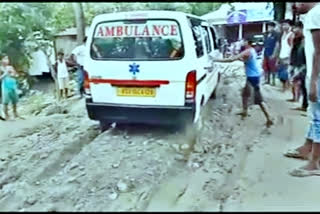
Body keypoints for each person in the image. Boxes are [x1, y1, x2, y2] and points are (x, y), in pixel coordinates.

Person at [284, 2, 320, 177]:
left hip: (318, 74)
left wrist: (313, 80)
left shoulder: (316, 14)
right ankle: (308, 148)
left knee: (318, 118)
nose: (294, 5)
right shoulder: (314, 13)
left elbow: (319, 51)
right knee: (315, 116)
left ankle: (315, 163)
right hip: (315, 72)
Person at [213, 38, 273, 127]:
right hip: (253, 76)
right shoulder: (252, 50)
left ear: (247, 42)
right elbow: (245, 60)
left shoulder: (247, 51)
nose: (242, 42)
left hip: (253, 77)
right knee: (245, 94)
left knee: (258, 99)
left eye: (243, 41)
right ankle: (245, 111)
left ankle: (269, 118)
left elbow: (231, 59)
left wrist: (215, 60)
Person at [287, 21, 308, 110]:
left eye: (296, 28)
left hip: (305, 65)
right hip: (298, 65)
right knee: (303, 86)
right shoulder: (297, 40)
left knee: (305, 86)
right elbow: (294, 53)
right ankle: (304, 105)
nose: (294, 30)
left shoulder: (306, 40)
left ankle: (306, 105)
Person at [0, 55, 23, 120]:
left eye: (7, 59)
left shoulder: (10, 67)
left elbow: (16, 75)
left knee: (15, 100)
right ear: (1, 60)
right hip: (5, 85)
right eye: (4, 59)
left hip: (12, 84)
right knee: (5, 101)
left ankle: (15, 113)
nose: (6, 60)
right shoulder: (1, 68)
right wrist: (5, 74)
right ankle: (6, 115)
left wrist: (14, 74)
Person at [277, 19, 295, 92]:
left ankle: (287, 88)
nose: (284, 26)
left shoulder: (291, 35)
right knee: (281, 74)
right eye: (283, 25)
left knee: (286, 74)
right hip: (282, 56)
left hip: (287, 57)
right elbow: (281, 46)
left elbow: (292, 47)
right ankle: (284, 87)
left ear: (290, 25)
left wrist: (290, 58)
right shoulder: (283, 35)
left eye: (285, 25)